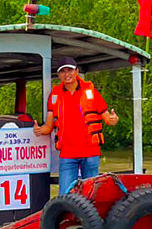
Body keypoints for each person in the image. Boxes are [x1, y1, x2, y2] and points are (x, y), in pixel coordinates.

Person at [34, 57, 119, 193]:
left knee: (90, 195)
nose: (67, 74)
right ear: (58, 75)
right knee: (65, 195)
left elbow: (108, 118)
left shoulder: (91, 92)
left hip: (90, 153)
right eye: (63, 71)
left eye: (70, 70)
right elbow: (48, 127)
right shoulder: (54, 96)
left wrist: (114, 119)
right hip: (67, 155)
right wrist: (39, 130)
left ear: (77, 71)